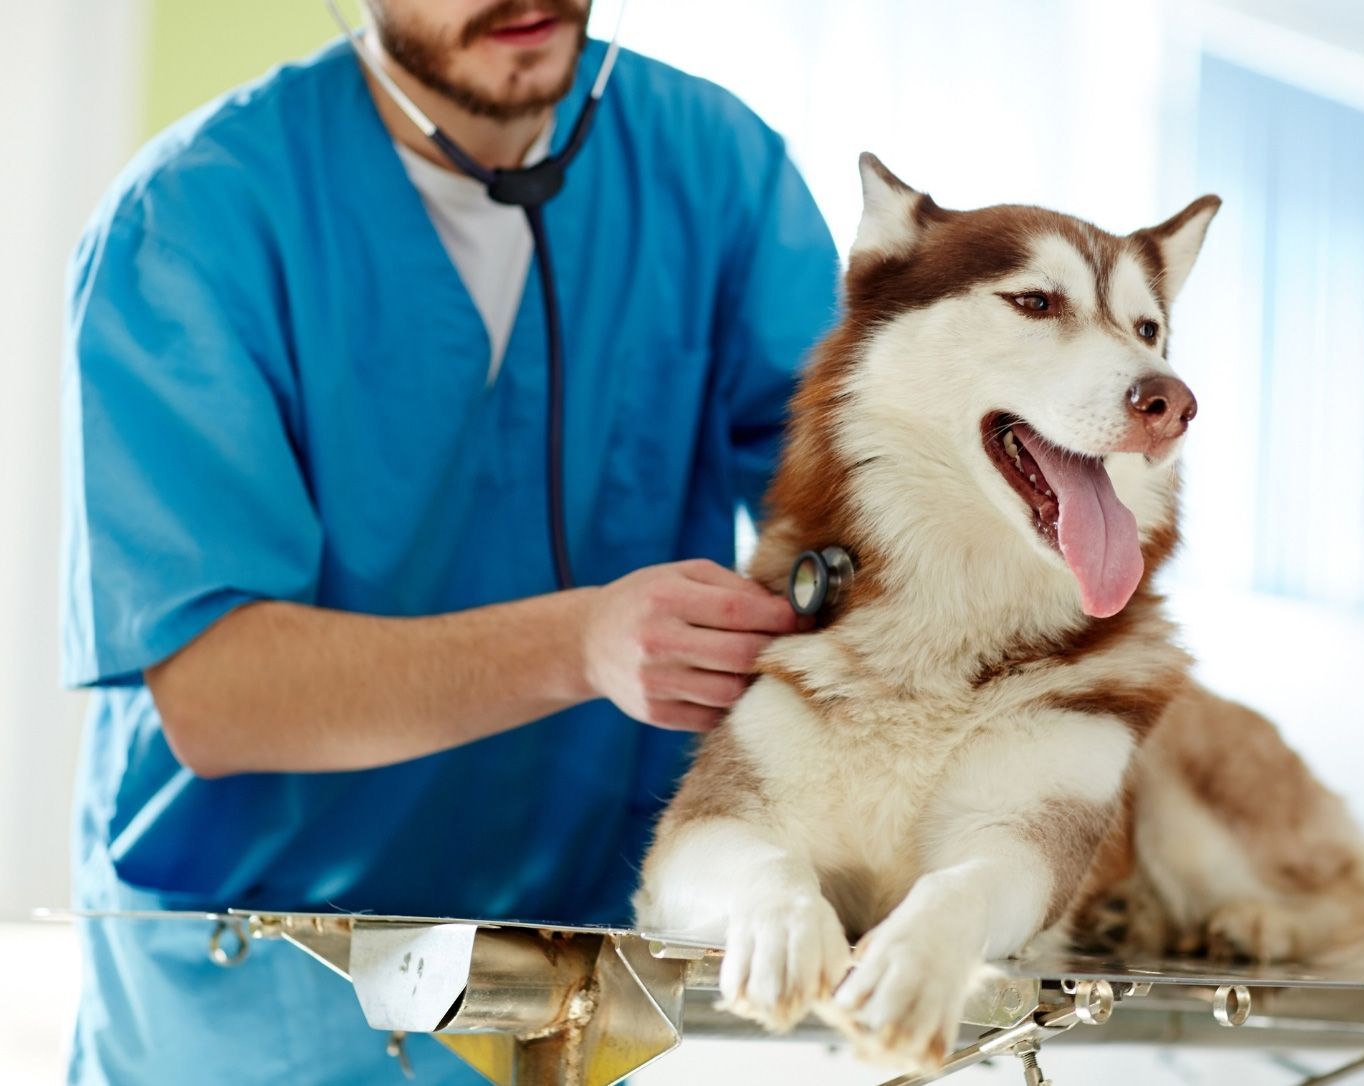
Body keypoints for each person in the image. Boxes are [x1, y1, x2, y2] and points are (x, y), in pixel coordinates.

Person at [59, 0, 839, 1081]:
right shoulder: (193, 221)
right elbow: (218, 690)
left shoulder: (715, 167)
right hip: (274, 995)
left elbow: (851, 512)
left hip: (579, 979)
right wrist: (584, 642)